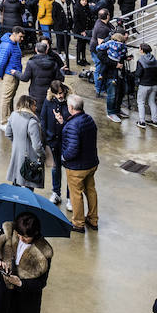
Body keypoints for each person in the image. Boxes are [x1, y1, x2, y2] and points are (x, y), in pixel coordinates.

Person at [0, 212, 53, 313]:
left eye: (25, 237)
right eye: (19, 234)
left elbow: (41, 283)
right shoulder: (8, 231)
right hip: (2, 291)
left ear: (35, 233)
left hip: (23, 300)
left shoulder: (44, 252)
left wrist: (20, 283)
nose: (21, 238)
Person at [57, 93, 99, 232]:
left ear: (70, 108)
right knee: (90, 191)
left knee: (76, 194)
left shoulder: (72, 125)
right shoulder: (89, 119)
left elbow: (72, 150)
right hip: (91, 164)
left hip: (77, 168)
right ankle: (93, 220)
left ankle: (78, 223)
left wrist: (63, 157)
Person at [4, 94, 45, 191]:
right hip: (29, 160)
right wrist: (43, 155)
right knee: (28, 189)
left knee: (15, 187)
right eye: (34, 105)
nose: (36, 108)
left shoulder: (13, 115)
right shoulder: (32, 122)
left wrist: (17, 144)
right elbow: (37, 146)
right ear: (29, 106)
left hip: (16, 156)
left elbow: (8, 133)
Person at [40, 81, 69, 206]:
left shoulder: (70, 102)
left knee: (69, 171)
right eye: (57, 94)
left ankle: (70, 197)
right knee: (55, 168)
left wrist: (63, 121)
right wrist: (46, 136)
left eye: (61, 93)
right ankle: (56, 192)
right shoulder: (48, 101)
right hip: (52, 142)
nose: (59, 96)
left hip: (67, 142)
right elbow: (43, 119)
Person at [0, 27, 26, 128]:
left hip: (15, 74)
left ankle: (10, 117)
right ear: (14, 34)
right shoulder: (7, 45)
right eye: (20, 36)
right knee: (6, 99)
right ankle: (4, 122)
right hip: (9, 76)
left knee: (10, 97)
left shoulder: (15, 43)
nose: (22, 39)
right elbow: (1, 63)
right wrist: (0, 75)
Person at [135, 43, 157, 128]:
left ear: (142, 50)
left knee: (141, 102)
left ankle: (142, 122)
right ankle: (155, 121)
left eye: (140, 48)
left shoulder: (140, 61)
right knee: (152, 102)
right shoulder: (156, 61)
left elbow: (138, 74)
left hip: (144, 85)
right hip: (154, 85)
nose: (139, 50)